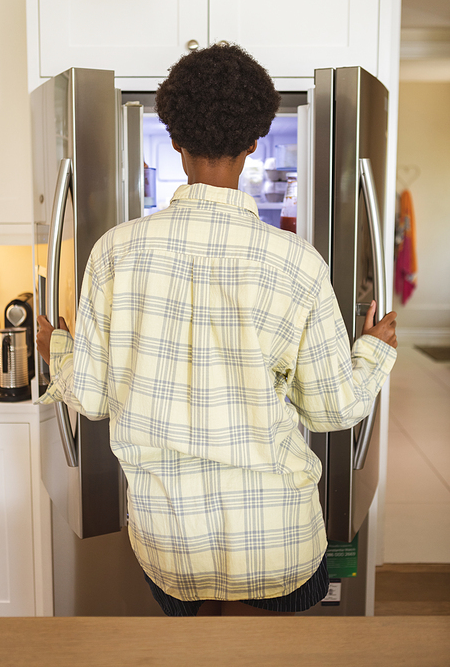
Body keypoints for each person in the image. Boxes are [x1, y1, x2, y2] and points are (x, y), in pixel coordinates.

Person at [37, 43, 397, 617]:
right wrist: (374, 351)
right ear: (254, 143)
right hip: (282, 543)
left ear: (175, 142)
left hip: (169, 548)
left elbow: (93, 396)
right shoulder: (297, 262)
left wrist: (56, 346)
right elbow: (333, 409)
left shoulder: (114, 253)